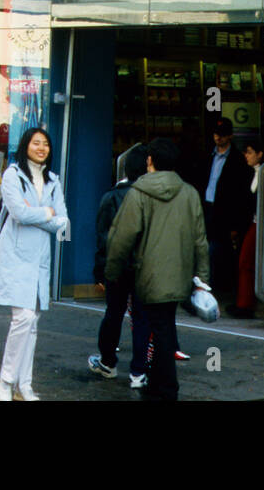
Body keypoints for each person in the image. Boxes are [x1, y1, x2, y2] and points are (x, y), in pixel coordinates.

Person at [104, 137, 210, 401]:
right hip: (180, 275)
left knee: (159, 328)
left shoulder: (138, 193)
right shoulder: (190, 193)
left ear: (150, 161)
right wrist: (202, 280)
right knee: (164, 325)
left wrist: (112, 271)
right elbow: (200, 240)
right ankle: (158, 384)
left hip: (148, 274)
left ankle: (165, 388)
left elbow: (121, 237)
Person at [0, 127, 69, 401]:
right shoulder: (12, 175)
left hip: (39, 258)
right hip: (15, 256)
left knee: (32, 321)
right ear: (25, 145)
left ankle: (24, 385)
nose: (41, 148)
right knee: (22, 318)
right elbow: (18, 213)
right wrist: (45, 213)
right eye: (36, 143)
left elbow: (63, 221)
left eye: (46, 144)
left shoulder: (53, 180)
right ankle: (6, 380)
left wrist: (41, 215)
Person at [89, 144, 152, 388]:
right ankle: (138, 371)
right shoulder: (151, 197)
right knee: (141, 318)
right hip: (144, 267)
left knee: (113, 314)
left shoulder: (111, 197)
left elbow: (103, 239)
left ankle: (107, 361)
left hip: (116, 267)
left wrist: (100, 271)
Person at [195, 118, 253, 302]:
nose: (218, 138)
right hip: (206, 207)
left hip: (225, 212)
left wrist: (236, 224)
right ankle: (205, 287)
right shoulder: (208, 156)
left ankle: (213, 288)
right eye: (215, 134)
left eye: (221, 135)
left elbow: (241, 194)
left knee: (217, 251)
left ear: (230, 135)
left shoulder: (237, 160)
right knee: (204, 248)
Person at [231, 135, 264, 319]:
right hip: (253, 223)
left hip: (261, 223)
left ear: (260, 154)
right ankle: (244, 302)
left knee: (246, 261)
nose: (246, 155)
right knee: (247, 262)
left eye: (250, 152)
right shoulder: (250, 172)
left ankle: (245, 304)